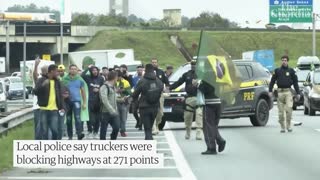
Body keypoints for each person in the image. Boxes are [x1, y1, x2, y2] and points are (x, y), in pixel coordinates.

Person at [169, 60, 203, 140]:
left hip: (199, 98)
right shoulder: (187, 74)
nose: (193, 66)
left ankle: (199, 133)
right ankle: (188, 131)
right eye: (192, 65)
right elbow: (178, 82)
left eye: (195, 65)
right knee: (187, 117)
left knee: (199, 115)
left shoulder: (203, 74)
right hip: (189, 98)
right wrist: (169, 88)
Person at [132, 64, 163, 140]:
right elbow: (161, 89)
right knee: (150, 127)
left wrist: (135, 101)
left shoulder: (142, 80)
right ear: (153, 71)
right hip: (155, 107)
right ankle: (149, 143)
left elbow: (135, 94)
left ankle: (149, 145)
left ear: (145, 70)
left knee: (147, 129)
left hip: (144, 107)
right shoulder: (158, 81)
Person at [269, 55, 299, 133]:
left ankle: (288, 126)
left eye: (285, 60)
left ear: (287, 61)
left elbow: (295, 83)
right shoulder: (277, 71)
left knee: (289, 110)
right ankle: (282, 127)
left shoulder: (291, 71)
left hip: (288, 92)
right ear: (281, 61)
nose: (284, 61)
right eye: (283, 60)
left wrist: (298, 92)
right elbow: (272, 81)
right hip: (279, 93)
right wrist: (270, 91)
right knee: (281, 112)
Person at [33, 64, 65, 140]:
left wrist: (62, 107)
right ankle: (46, 147)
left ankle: (53, 144)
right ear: (51, 71)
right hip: (44, 109)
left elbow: (60, 95)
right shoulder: (42, 80)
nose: (58, 73)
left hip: (54, 109)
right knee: (44, 131)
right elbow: (35, 91)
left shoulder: (57, 81)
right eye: (57, 71)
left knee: (55, 130)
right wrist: (43, 85)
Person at [198, 80, 226, 155]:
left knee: (208, 127)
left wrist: (197, 85)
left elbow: (205, 89)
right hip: (218, 102)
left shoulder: (207, 78)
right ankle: (219, 140)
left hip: (209, 103)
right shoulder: (219, 76)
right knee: (213, 125)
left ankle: (211, 147)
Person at [62, 64, 87, 140]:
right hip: (67, 102)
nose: (73, 70)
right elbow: (62, 91)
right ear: (69, 70)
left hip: (77, 101)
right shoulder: (65, 79)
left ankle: (79, 134)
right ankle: (70, 136)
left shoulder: (80, 80)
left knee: (77, 118)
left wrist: (84, 102)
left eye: (74, 69)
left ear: (76, 70)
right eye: (71, 69)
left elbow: (83, 92)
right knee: (69, 119)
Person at [81, 65, 104, 139]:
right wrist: (88, 68)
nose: (95, 71)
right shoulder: (87, 78)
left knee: (97, 118)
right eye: (93, 70)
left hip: (98, 101)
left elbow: (103, 88)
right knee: (90, 118)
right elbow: (82, 75)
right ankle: (90, 131)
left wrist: (99, 89)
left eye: (96, 70)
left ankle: (96, 132)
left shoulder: (101, 78)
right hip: (89, 100)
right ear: (91, 71)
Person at [99, 71, 120, 140]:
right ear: (114, 78)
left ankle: (112, 140)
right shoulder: (104, 87)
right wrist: (112, 110)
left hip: (114, 111)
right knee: (103, 130)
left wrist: (122, 99)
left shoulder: (113, 87)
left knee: (116, 127)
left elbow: (113, 98)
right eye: (117, 77)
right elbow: (104, 100)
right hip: (105, 112)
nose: (117, 79)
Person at [151, 58, 169, 135]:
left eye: (155, 62)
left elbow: (167, 83)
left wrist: (167, 91)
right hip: (151, 94)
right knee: (152, 111)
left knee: (160, 112)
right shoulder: (148, 73)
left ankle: (157, 124)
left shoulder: (161, 72)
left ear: (157, 63)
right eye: (153, 62)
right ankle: (153, 126)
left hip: (160, 94)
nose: (154, 64)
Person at [32, 59, 48, 140]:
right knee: (38, 127)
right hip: (38, 107)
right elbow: (34, 75)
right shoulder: (39, 80)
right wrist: (36, 66)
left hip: (48, 107)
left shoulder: (51, 80)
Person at [116, 71, 132, 137]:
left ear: (121, 76)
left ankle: (123, 130)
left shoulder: (126, 82)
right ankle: (118, 128)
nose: (117, 78)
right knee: (117, 117)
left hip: (124, 102)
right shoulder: (113, 82)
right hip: (115, 101)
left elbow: (129, 92)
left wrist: (123, 90)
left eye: (118, 77)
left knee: (123, 117)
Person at [132, 65, 144, 130]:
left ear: (142, 70)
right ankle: (138, 120)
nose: (139, 71)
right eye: (138, 70)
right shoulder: (134, 78)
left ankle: (140, 124)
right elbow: (132, 87)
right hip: (136, 96)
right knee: (134, 111)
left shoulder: (144, 78)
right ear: (137, 70)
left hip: (142, 96)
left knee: (141, 111)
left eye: (141, 70)